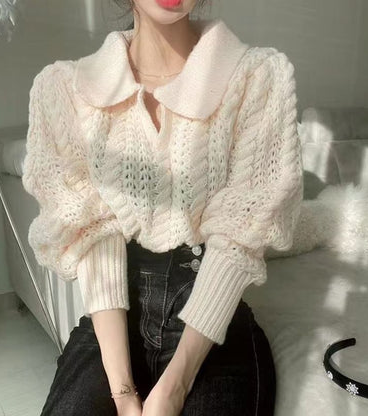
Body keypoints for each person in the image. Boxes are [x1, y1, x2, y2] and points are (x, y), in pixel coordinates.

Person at [22, 0, 304, 415]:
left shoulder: (258, 77)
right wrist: (123, 392)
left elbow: (241, 232)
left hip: (208, 326)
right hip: (112, 324)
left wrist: (175, 386)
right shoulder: (64, 89)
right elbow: (93, 231)